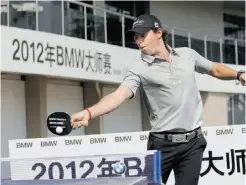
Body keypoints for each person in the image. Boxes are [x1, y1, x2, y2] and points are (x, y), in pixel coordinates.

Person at [70, 14, 246, 185]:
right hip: (162, 145)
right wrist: (88, 113)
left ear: (159, 33)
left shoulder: (187, 55)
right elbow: (118, 96)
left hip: (193, 143)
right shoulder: (139, 69)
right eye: (136, 38)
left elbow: (214, 69)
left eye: (143, 36)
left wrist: (238, 75)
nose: (139, 41)